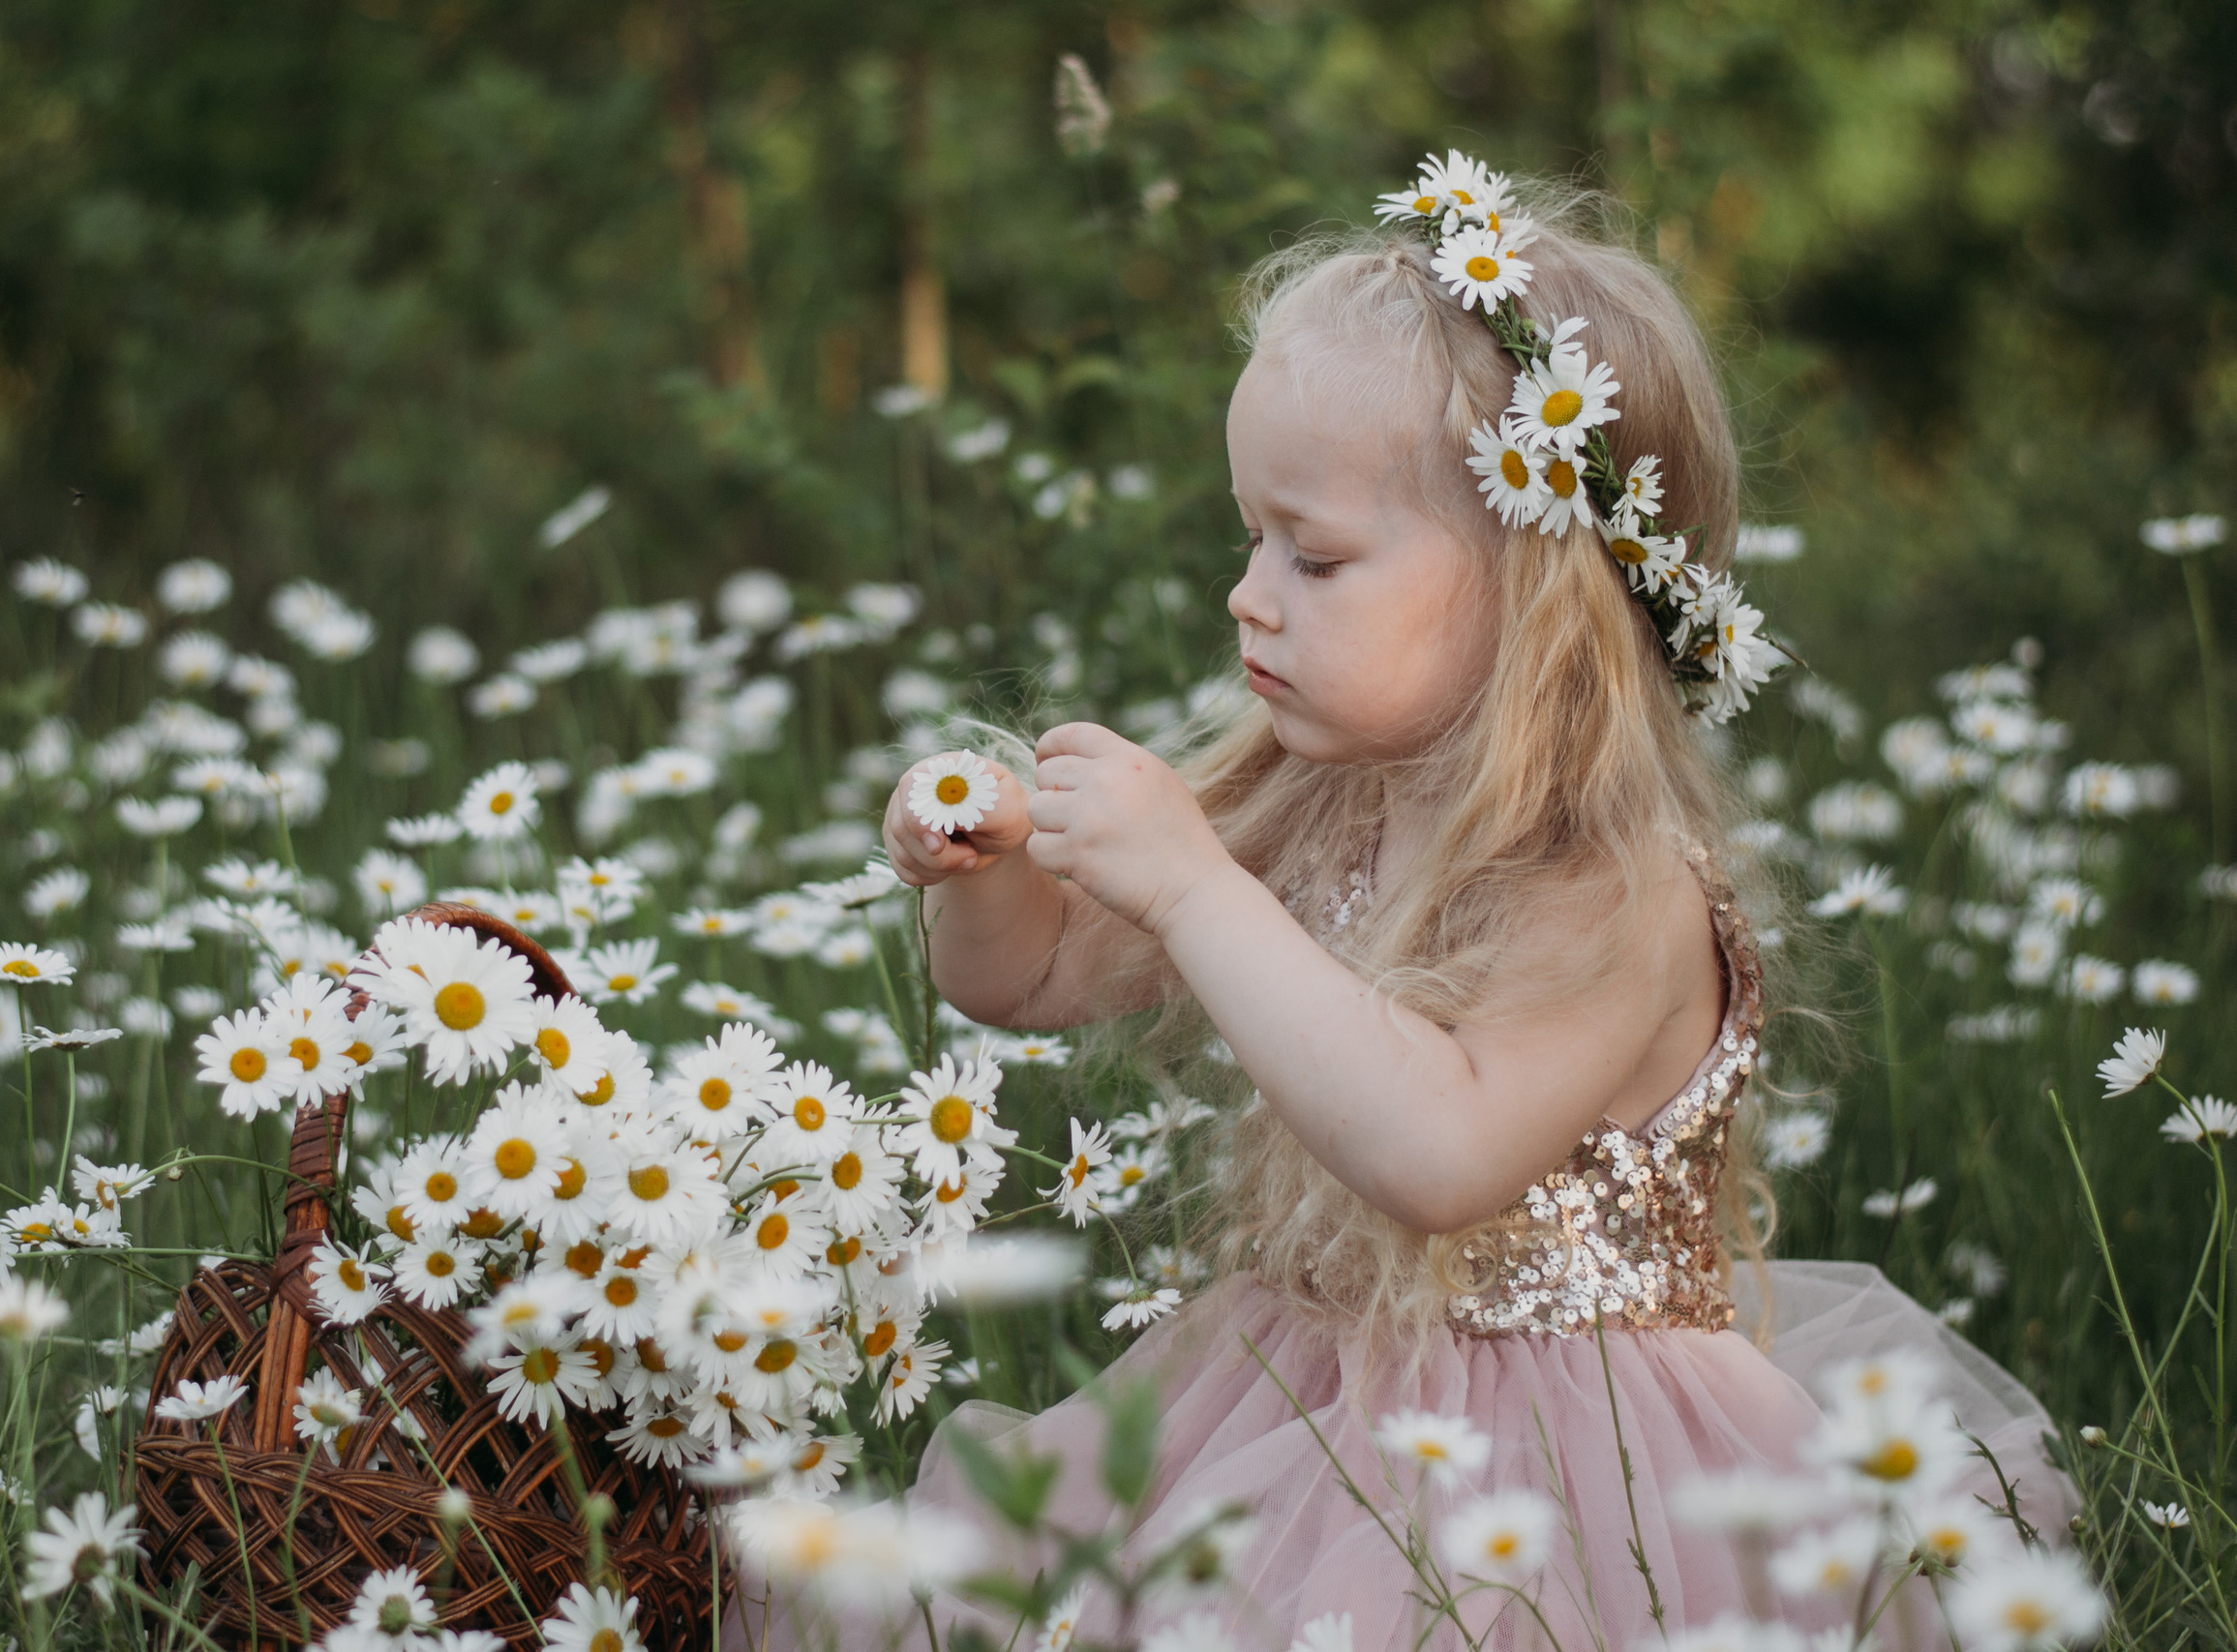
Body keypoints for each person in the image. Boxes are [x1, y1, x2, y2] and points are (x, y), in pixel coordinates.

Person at [733, 158, 2072, 1651]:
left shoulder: (1611, 888)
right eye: (1250, 537)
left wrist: (1190, 886)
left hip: (1576, 1474)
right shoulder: (1320, 790)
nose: (1252, 591)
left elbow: (1440, 1155)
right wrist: (988, 878)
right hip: (1298, 1397)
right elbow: (1032, 978)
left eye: (1315, 555)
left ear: (1535, 584)